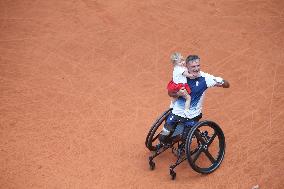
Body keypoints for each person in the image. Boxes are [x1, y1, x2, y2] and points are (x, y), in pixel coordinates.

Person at [159, 54, 230, 144]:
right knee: (162, 137)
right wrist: (177, 93)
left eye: (198, 65)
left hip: (192, 115)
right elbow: (170, 93)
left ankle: (191, 135)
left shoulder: (205, 78)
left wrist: (221, 81)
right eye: (193, 66)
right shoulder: (180, 76)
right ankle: (174, 135)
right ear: (186, 66)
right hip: (176, 112)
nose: (196, 68)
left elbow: (227, 85)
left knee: (184, 139)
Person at [167, 52, 195, 118]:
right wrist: (194, 75)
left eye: (183, 60)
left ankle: (172, 106)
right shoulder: (181, 69)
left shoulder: (176, 67)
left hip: (174, 86)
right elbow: (189, 75)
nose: (182, 62)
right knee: (188, 98)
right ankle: (186, 111)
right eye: (180, 62)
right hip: (180, 87)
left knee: (175, 97)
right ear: (175, 63)